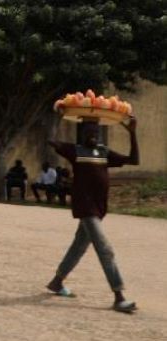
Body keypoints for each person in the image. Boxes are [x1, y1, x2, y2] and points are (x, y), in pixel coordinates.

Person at [45, 117, 139, 314]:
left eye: (96, 132)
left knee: (78, 246)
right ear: (82, 134)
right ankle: (119, 296)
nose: (93, 135)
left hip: (99, 208)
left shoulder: (104, 153)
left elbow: (134, 160)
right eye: (88, 132)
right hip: (85, 208)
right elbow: (51, 141)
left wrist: (132, 132)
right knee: (105, 250)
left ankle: (57, 281)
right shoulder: (75, 150)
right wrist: (60, 116)